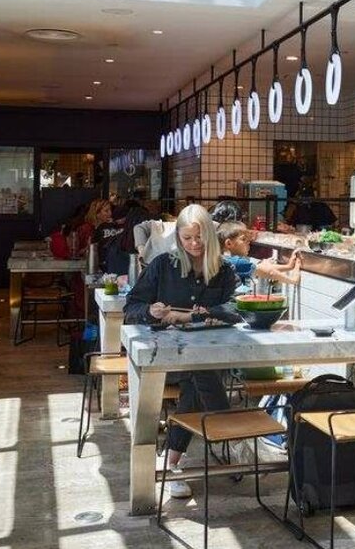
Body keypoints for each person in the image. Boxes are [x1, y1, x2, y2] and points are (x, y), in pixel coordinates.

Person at [124, 204, 241, 499]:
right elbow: (131, 308)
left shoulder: (223, 270)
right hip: (166, 364)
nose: (193, 245)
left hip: (209, 361)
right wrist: (151, 311)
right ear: (178, 237)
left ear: (211, 238)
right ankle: (230, 433)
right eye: (187, 239)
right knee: (199, 373)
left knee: (198, 374)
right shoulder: (163, 265)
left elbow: (238, 307)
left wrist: (192, 317)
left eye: (199, 239)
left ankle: (172, 460)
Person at [218, 221, 301, 289]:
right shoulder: (234, 262)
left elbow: (261, 268)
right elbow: (269, 272)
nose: (248, 242)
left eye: (248, 239)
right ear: (229, 243)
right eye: (243, 239)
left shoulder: (223, 259)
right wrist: (293, 280)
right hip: (228, 307)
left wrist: (288, 266)